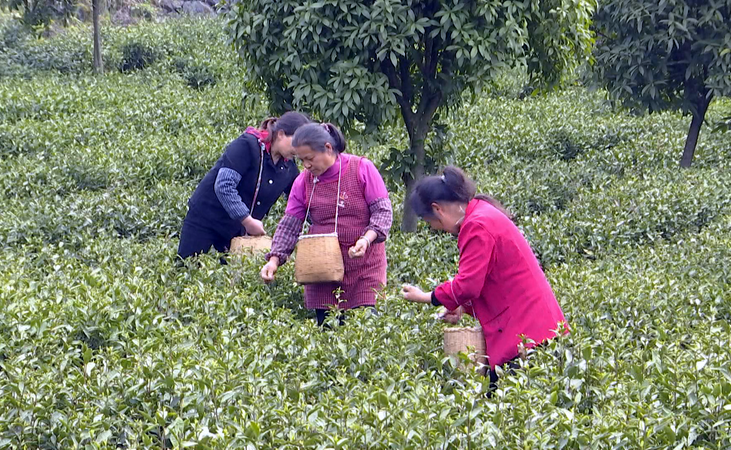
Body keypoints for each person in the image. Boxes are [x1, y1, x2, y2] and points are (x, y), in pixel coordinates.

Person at [401, 166, 568, 388]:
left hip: (526, 334)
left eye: (430, 222)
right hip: (536, 328)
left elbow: (468, 285)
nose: (435, 229)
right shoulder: (480, 211)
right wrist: (461, 307)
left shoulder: (477, 225)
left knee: (507, 407)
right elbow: (487, 280)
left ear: (437, 209)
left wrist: (426, 296)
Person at [260, 123, 393, 326]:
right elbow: (290, 224)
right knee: (329, 329)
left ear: (328, 148)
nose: (306, 165)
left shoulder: (361, 168)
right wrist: (274, 259)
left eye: (310, 158)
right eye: (301, 160)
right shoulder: (303, 182)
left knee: (367, 327)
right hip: (322, 270)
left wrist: (366, 239)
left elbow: (382, 212)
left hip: (365, 267)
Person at [177, 112, 312, 260]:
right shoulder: (247, 145)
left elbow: (300, 200)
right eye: (296, 142)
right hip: (206, 217)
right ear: (280, 134)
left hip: (238, 231)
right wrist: (247, 220)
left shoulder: (288, 167)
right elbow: (224, 185)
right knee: (187, 266)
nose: (298, 150)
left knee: (233, 277)